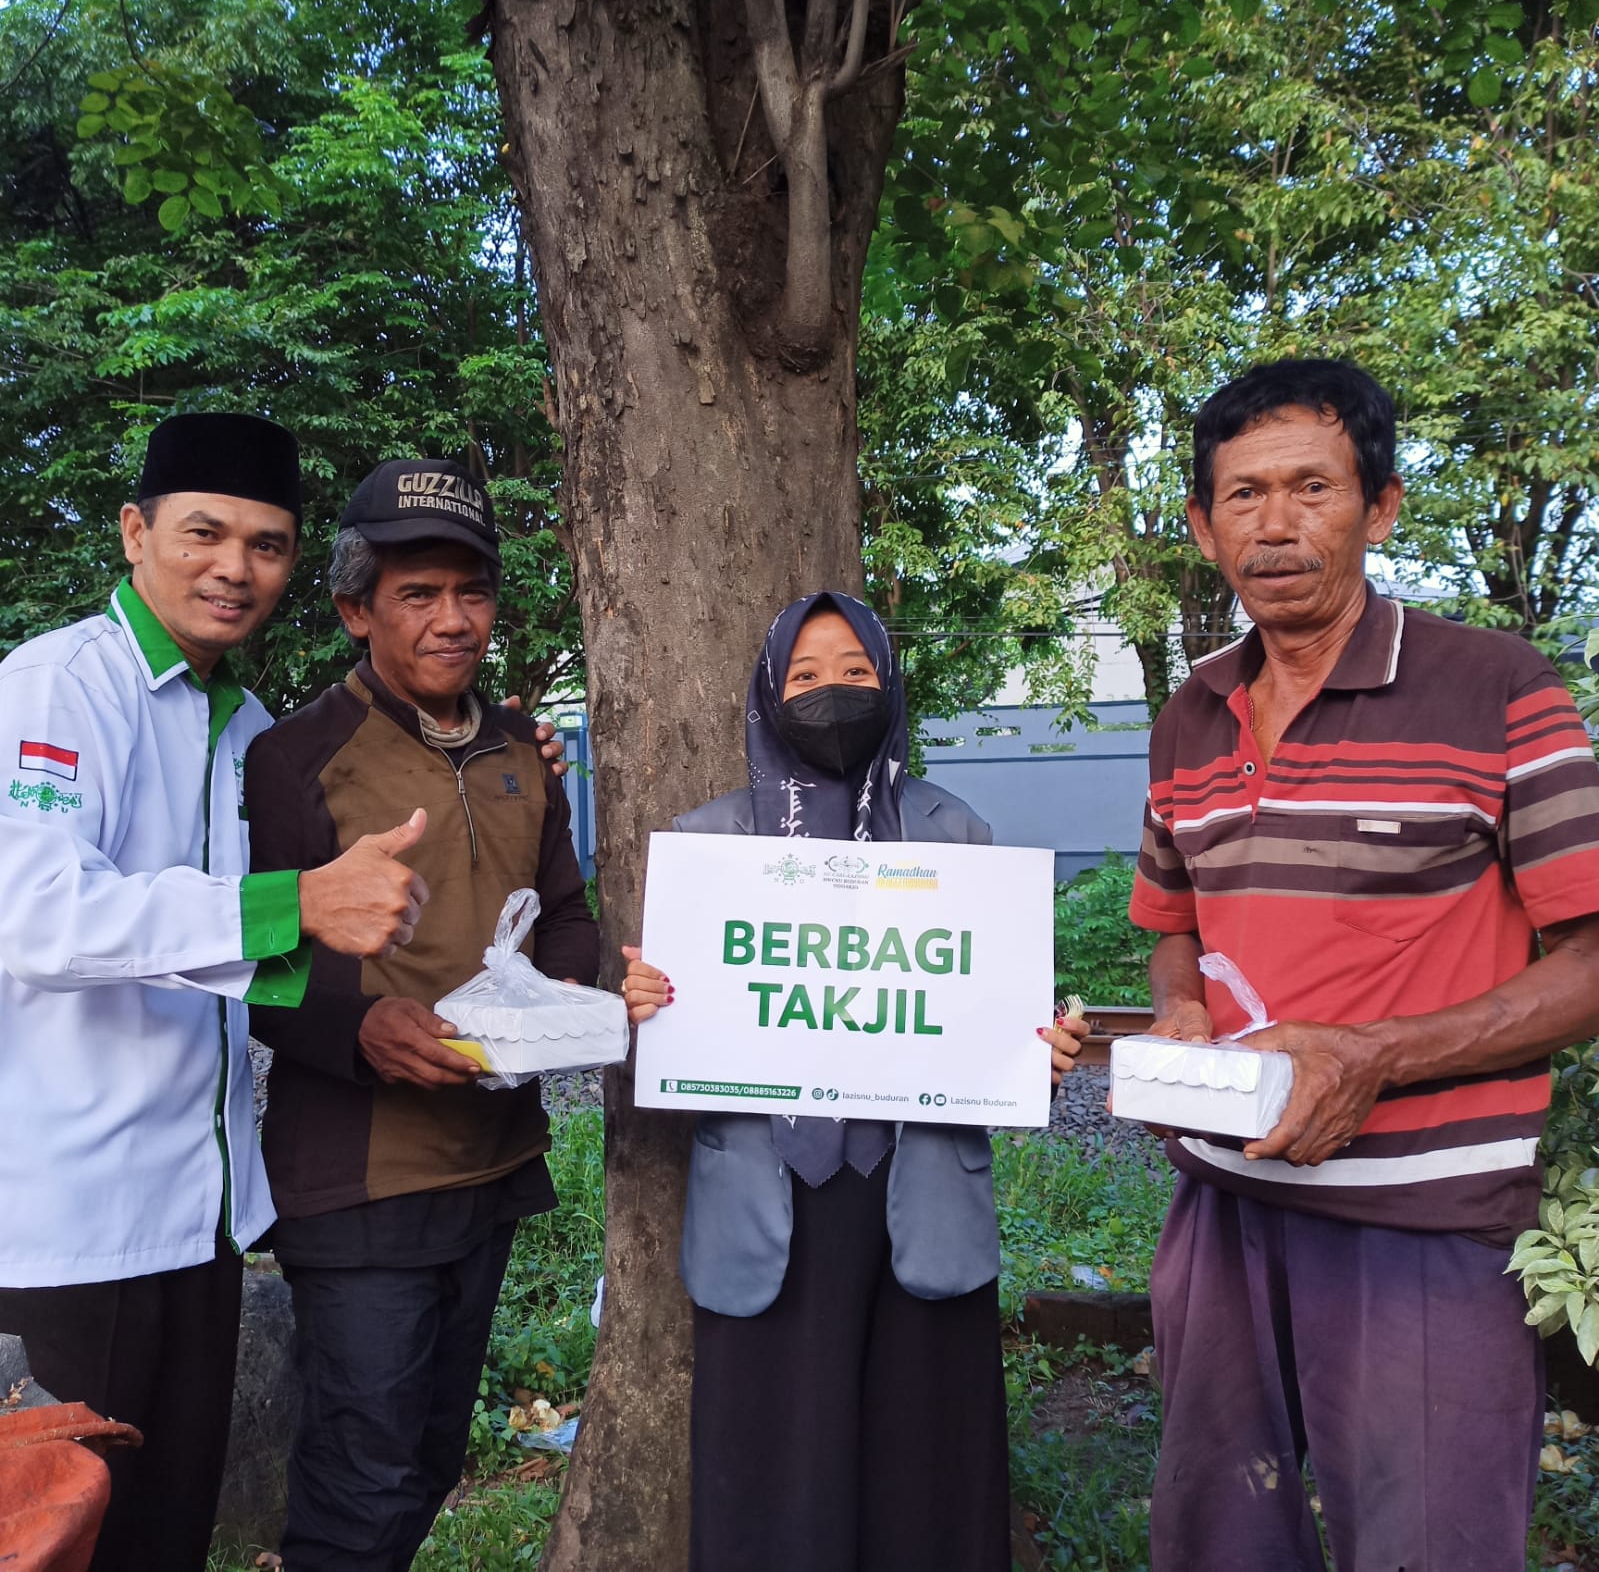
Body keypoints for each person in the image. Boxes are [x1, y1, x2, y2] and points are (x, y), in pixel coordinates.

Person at [1128, 358, 1599, 1571]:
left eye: (1311, 489)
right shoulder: (1191, 713)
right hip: (1223, 1207)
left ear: (1380, 507)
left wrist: (1373, 1056)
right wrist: (1178, 1011)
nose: (1275, 526)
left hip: (1426, 1228)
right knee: (1217, 1535)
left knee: (1429, 1542)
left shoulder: (1497, 687)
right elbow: (1172, 920)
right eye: (1241, 497)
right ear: (1202, 525)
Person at [0, 413, 428, 1571]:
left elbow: (227, 961)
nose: (235, 569)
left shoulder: (240, 726)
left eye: (269, 546)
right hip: (63, 1234)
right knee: (46, 1539)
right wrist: (292, 906)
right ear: (136, 532)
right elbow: (35, 917)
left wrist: (358, 1005)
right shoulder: (55, 688)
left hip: (201, 1230)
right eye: (205, 533)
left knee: (161, 1538)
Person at [621, 590, 1084, 1572]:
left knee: (928, 1479)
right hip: (768, 1199)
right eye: (805, 676)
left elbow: (1001, 1024)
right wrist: (645, 1011)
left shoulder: (957, 834)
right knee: (774, 1483)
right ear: (766, 693)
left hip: (920, 1202)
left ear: (892, 684)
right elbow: (665, 1049)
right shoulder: (708, 845)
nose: (832, 693)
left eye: (856, 673)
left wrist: (1040, 1049)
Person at [244, 458, 601, 1570]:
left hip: (491, 1167)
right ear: (357, 609)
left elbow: (568, 913)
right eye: (416, 594)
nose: (454, 620)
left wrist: (582, 997)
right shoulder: (294, 758)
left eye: (473, 592)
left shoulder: (520, 749)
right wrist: (360, 1029)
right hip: (359, 1186)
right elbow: (256, 964)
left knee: (431, 1459)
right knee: (363, 1480)